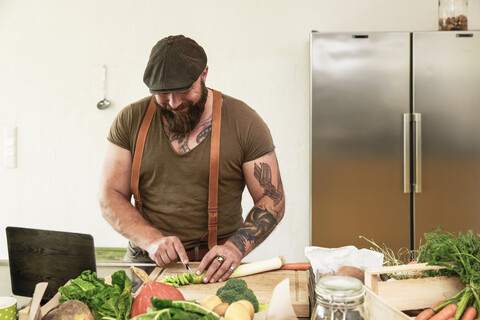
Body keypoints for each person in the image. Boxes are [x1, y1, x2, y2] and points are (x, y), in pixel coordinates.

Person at [99, 35, 285, 284]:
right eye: (163, 94)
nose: (174, 103)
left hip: (215, 267)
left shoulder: (244, 122)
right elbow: (109, 195)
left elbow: (273, 197)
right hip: (145, 263)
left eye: (183, 91)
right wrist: (150, 239)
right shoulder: (130, 120)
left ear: (204, 74)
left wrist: (235, 248)